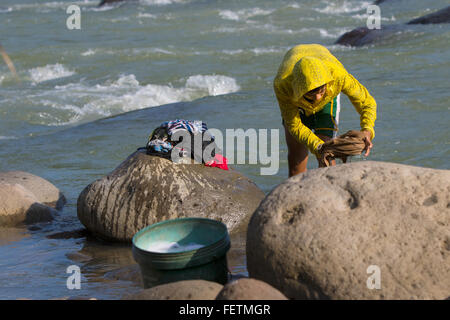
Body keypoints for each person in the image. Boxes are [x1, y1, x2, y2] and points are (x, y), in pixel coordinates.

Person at [274, 44, 377, 177]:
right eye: (311, 94)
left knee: (327, 153)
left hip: (328, 95)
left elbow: (367, 102)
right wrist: (317, 146)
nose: (317, 98)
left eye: (320, 91)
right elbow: (295, 125)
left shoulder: (338, 76)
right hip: (297, 101)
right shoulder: (283, 86)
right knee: (296, 159)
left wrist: (367, 130)